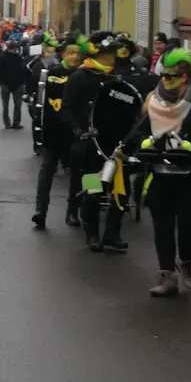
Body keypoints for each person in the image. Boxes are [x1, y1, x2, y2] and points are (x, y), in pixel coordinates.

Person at [137, 49, 191, 296]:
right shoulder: (153, 101)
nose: (166, 80)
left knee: (188, 228)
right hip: (160, 175)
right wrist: (144, 144)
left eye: (173, 76)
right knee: (162, 228)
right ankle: (167, 276)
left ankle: (186, 261)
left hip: (190, 177)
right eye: (164, 75)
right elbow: (139, 129)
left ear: (186, 77)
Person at [61, 31, 128, 252]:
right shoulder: (79, 77)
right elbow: (67, 108)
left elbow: (126, 108)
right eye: (108, 53)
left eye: (112, 53)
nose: (112, 57)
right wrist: (78, 131)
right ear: (98, 54)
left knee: (120, 191)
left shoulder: (115, 78)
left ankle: (113, 234)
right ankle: (92, 233)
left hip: (115, 145)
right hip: (91, 146)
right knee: (92, 190)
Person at [31, 33, 82, 230]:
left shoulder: (85, 76)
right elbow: (42, 103)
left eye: (78, 53)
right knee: (46, 173)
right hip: (53, 132)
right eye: (70, 53)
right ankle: (40, 210)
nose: (75, 57)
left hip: (77, 134)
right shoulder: (52, 74)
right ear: (63, 55)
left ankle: (74, 211)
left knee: (80, 175)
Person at [0, 42, 26, 129]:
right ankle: (10, 123)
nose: (16, 50)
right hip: (8, 84)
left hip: (14, 84)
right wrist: (0, 82)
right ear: (11, 49)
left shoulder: (16, 57)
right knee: (9, 105)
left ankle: (13, 123)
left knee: (14, 105)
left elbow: (23, 69)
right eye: (15, 49)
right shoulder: (4, 57)